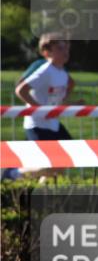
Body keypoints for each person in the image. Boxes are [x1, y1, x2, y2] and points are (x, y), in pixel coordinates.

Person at [13, 33, 75, 181]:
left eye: (67, 47)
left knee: (70, 156)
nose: (65, 51)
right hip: (37, 124)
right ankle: (12, 173)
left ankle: (41, 192)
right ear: (46, 53)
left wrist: (66, 102)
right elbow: (21, 90)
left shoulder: (62, 73)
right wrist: (40, 109)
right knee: (50, 164)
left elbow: (66, 88)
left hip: (53, 124)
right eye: (60, 48)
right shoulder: (45, 71)